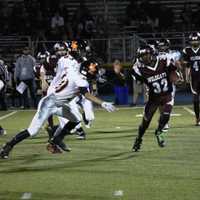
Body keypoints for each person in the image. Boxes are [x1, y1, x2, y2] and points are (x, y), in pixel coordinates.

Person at [0, 50, 116, 159]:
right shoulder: (81, 80)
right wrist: (103, 103)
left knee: (76, 119)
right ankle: (8, 146)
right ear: (86, 70)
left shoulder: (73, 72)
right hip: (49, 103)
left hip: (59, 104)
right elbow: (86, 95)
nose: (95, 71)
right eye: (94, 70)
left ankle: (54, 142)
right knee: (33, 131)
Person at [131, 45, 180, 152]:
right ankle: (138, 139)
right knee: (145, 123)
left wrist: (176, 75)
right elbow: (138, 82)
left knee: (166, 115)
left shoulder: (163, 60)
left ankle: (159, 132)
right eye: (142, 56)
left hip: (167, 94)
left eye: (146, 55)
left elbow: (174, 70)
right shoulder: (139, 68)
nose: (144, 58)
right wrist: (120, 74)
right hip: (153, 98)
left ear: (152, 54)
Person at [182, 32, 200, 126]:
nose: (195, 42)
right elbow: (187, 66)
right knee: (195, 100)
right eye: (193, 40)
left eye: (196, 40)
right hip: (194, 78)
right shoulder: (187, 51)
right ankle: (198, 118)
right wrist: (186, 77)